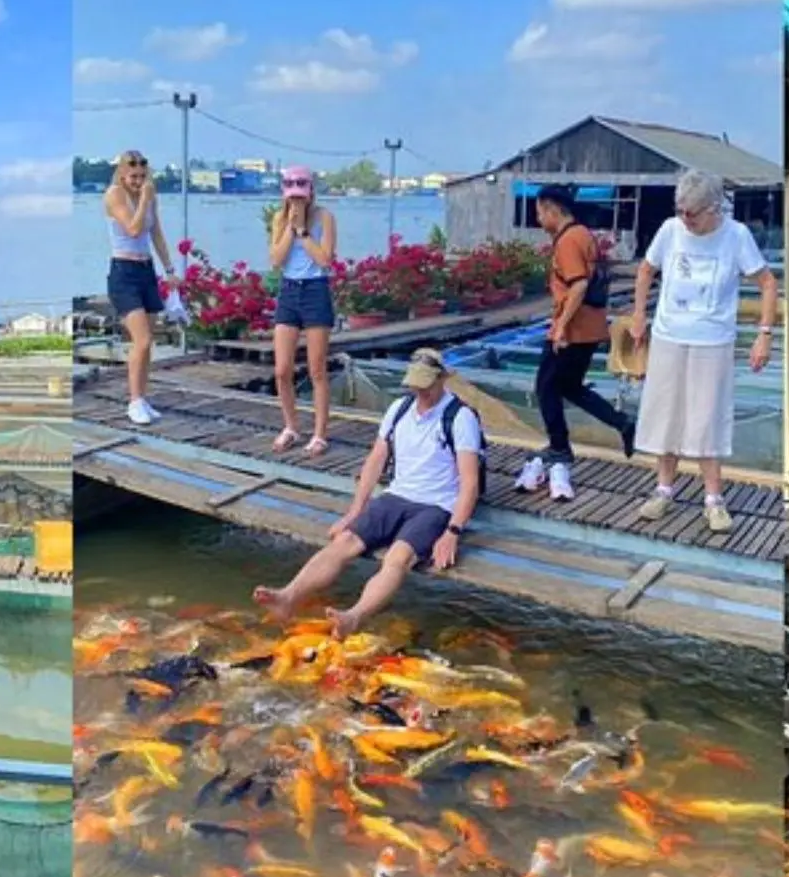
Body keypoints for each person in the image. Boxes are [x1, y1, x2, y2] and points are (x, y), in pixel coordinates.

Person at [253, 349, 481, 638]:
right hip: (396, 495)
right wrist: (355, 510)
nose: (420, 393)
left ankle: (354, 616)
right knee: (345, 540)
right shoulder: (400, 409)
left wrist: (452, 532)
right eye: (415, 386)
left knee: (397, 558)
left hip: (435, 505)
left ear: (442, 380)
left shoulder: (460, 418)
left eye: (426, 386)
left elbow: (469, 482)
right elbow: (376, 460)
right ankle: (288, 597)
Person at [629, 168, 777, 534]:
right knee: (667, 413)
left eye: (692, 213)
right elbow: (646, 270)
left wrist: (764, 334)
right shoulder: (670, 230)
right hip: (669, 335)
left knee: (706, 417)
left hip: (713, 340)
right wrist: (638, 315)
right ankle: (664, 488)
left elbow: (767, 282)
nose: (685, 219)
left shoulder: (735, 235)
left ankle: (713, 498)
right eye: (681, 211)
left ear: (714, 209)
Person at [515, 183, 635, 501]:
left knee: (545, 387)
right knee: (570, 387)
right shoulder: (584, 234)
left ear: (553, 210)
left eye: (540, 212)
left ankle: (559, 446)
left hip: (574, 330)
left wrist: (560, 328)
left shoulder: (568, 240)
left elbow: (579, 285)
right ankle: (621, 422)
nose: (539, 220)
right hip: (592, 327)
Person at [105, 150, 180, 426]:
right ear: (123, 175)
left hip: (146, 270)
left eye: (142, 177)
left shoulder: (150, 194)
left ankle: (143, 397)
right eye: (133, 177)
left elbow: (155, 233)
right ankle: (134, 401)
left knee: (149, 342)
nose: (138, 181)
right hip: (123, 272)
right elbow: (134, 229)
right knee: (142, 339)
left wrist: (170, 269)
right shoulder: (115, 195)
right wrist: (144, 199)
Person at [268, 165, 337, 456]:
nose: (296, 201)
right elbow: (276, 260)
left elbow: (325, 259)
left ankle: (320, 433)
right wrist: (288, 228)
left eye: (301, 194)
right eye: (291, 194)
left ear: (310, 192)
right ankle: (291, 425)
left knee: (316, 369)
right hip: (289, 290)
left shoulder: (325, 218)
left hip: (315, 289)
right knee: (282, 369)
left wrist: (303, 232)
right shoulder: (278, 218)